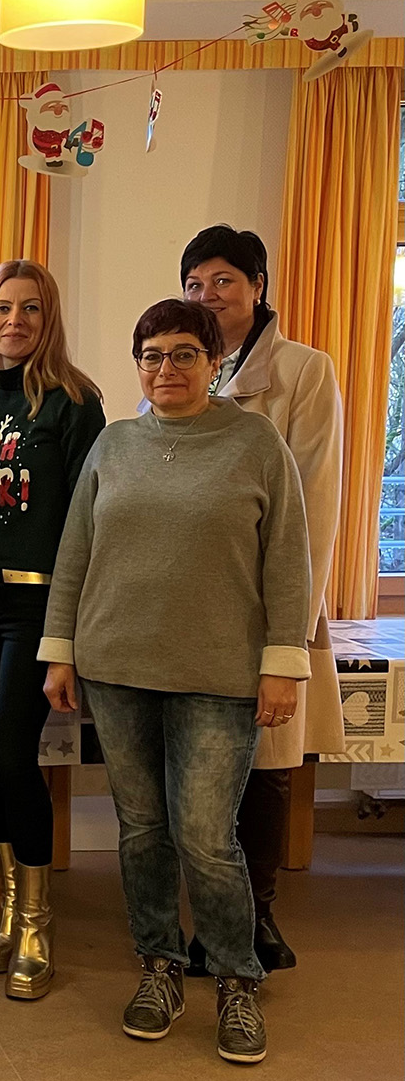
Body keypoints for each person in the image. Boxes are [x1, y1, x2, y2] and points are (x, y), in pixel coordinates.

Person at [41, 298, 311, 1067]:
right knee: (141, 829)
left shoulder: (256, 442)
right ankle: (157, 966)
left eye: (184, 353)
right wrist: (61, 651)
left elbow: (288, 562)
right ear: (138, 365)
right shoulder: (114, 445)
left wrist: (281, 663)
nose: (167, 368)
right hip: (116, 668)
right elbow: (75, 553)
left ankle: (233, 976)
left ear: (215, 361)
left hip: (220, 674)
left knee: (204, 835)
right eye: (152, 355)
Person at [180, 223, 343, 973]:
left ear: (257, 288)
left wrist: (292, 629)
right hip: (196, 606)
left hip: (269, 602)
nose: (208, 296)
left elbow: (316, 504)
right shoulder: (184, 369)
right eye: (195, 283)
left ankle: (260, 914)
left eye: (223, 281)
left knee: (269, 763)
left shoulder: (306, 372)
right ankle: (215, 917)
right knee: (204, 767)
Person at [0, 260, 105, 999]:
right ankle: (8, 908)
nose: (14, 321)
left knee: (12, 753)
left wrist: (66, 634)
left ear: (49, 318)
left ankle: (38, 922)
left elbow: (83, 524)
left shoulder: (74, 402)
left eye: (30, 309)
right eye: (2, 308)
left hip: (36, 608)